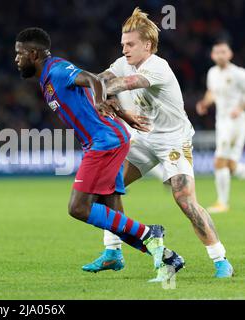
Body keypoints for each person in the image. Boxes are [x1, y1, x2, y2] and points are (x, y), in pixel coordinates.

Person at [15, 27, 183, 281]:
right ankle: (166, 258)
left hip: (105, 142)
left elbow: (94, 80)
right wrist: (123, 114)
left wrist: (98, 101)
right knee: (112, 213)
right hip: (107, 138)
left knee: (79, 208)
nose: (16, 59)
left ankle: (151, 234)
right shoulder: (46, 78)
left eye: (20, 54)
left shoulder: (58, 70)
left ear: (34, 54)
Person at [82, 8, 234, 278]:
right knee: (106, 187)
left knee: (183, 198)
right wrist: (76, 82)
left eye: (130, 44)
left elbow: (124, 84)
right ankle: (113, 252)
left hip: (173, 139)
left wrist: (99, 93)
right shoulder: (122, 62)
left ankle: (220, 259)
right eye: (123, 45)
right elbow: (98, 80)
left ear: (148, 45)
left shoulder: (157, 66)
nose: (125, 50)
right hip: (142, 137)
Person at [196, 40, 245, 213]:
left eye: (223, 52)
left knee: (219, 161)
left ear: (230, 54)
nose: (220, 55)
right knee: (231, 165)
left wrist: (240, 108)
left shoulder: (239, 73)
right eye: (217, 52)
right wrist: (205, 103)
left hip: (235, 122)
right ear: (212, 55)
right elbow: (212, 92)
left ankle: (222, 203)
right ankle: (223, 201)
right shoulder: (212, 73)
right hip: (221, 121)